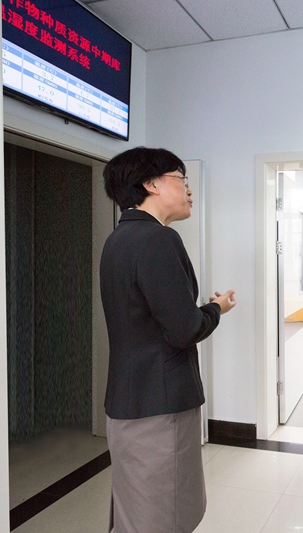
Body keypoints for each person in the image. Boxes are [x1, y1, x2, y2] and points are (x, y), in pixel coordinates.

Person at [100, 147, 236, 533]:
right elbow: (184, 329)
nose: (189, 190)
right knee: (163, 516)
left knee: (133, 510)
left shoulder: (117, 240)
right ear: (151, 184)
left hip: (127, 402)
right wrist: (216, 309)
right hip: (160, 408)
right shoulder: (158, 239)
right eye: (181, 179)